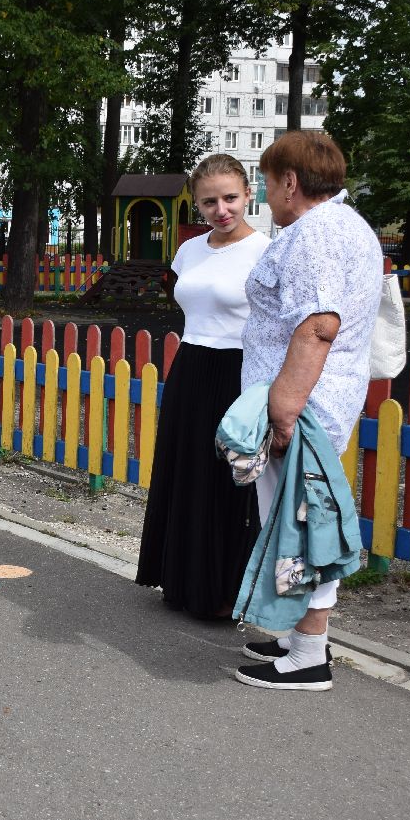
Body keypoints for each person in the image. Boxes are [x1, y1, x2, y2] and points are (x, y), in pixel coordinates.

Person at [233, 130, 383, 691]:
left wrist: (285, 409)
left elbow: (318, 325)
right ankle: (299, 639)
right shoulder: (348, 226)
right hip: (326, 397)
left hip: (306, 405)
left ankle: (309, 657)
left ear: (291, 183)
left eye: (268, 185)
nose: (266, 197)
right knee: (296, 517)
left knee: (302, 524)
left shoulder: (314, 235)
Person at [135, 155, 266, 620]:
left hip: (239, 372)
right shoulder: (189, 250)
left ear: (249, 194)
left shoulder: (266, 250)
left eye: (230, 198)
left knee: (227, 480)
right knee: (183, 469)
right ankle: (181, 580)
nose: (221, 209)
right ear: (196, 203)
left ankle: (222, 592)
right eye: (209, 201)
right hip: (190, 364)